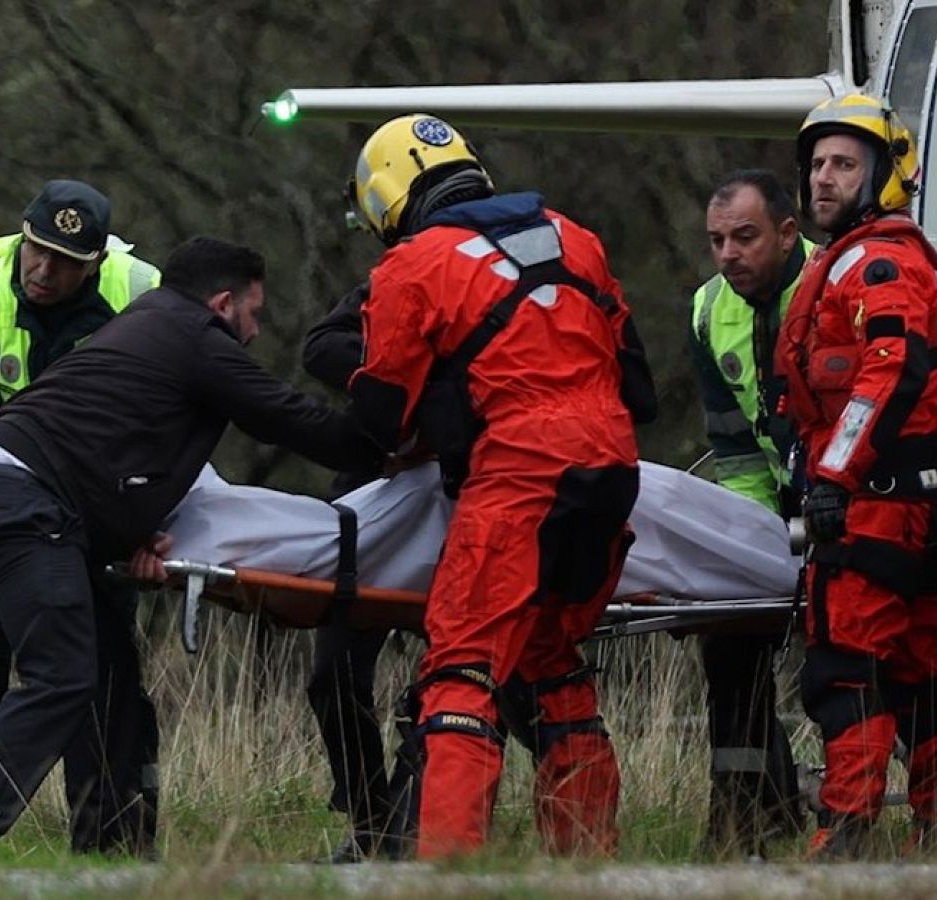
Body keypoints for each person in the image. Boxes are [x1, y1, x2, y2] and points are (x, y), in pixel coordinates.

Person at [0, 236, 383, 854]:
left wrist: (131, 534)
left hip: (18, 498)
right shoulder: (193, 335)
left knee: (109, 672)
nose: (254, 332)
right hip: (16, 499)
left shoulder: (146, 325)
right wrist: (392, 443)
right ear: (223, 303)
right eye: (254, 314)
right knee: (61, 673)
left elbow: (105, 450)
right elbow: (293, 418)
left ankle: (114, 851)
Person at [345, 113, 656, 858]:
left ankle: (449, 864)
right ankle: (586, 861)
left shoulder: (415, 264)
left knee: (462, 667)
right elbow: (639, 389)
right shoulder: (575, 236)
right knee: (551, 662)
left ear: (387, 200)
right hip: (610, 470)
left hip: (522, 472)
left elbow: (378, 414)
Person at [774, 93, 937, 858]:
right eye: (818, 164)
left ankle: (847, 834)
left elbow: (889, 373)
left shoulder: (879, 262)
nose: (824, 179)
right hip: (909, 503)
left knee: (846, 666)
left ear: (885, 176)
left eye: (844, 164)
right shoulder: (862, 258)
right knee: (925, 667)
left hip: (874, 504)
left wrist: (832, 476)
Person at [0, 180, 162, 849]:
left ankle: (118, 837)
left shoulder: (144, 296)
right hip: (2, 511)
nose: (44, 269)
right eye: (37, 250)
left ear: (97, 261)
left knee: (110, 663)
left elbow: (165, 421)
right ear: (21, 237)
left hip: (108, 508)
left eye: (65, 260)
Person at [689, 168, 813, 856]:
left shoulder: (833, 286)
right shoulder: (709, 310)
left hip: (854, 494)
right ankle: (750, 816)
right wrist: (752, 547)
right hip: (769, 495)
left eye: (745, 237)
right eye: (717, 241)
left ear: (787, 233)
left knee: (843, 665)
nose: (730, 254)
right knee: (729, 640)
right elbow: (734, 449)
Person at [300, 280, 399, 863]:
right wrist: (399, 370)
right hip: (373, 500)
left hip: (462, 501)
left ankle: (425, 817)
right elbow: (321, 347)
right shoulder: (391, 282)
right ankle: (374, 824)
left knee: (478, 678)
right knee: (332, 678)